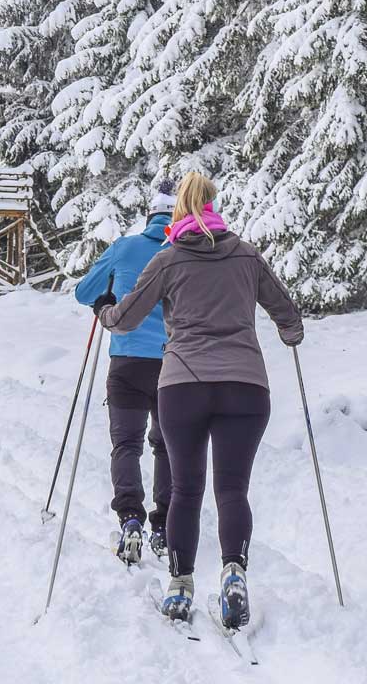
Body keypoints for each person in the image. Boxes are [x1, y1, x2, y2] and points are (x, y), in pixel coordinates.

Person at [93, 171, 303, 631]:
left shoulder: (169, 260)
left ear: (179, 211)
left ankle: (180, 587)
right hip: (246, 386)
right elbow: (288, 314)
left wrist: (104, 312)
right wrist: (290, 334)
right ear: (212, 204)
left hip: (183, 385)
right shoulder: (247, 255)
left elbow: (126, 318)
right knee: (232, 490)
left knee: (187, 490)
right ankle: (233, 574)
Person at [75, 180, 176, 565]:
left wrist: (107, 298)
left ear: (149, 216)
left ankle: (130, 518)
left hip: (127, 361)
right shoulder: (183, 251)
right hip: (174, 364)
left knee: (127, 445)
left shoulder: (125, 247)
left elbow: (85, 292)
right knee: (166, 445)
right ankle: (164, 525)